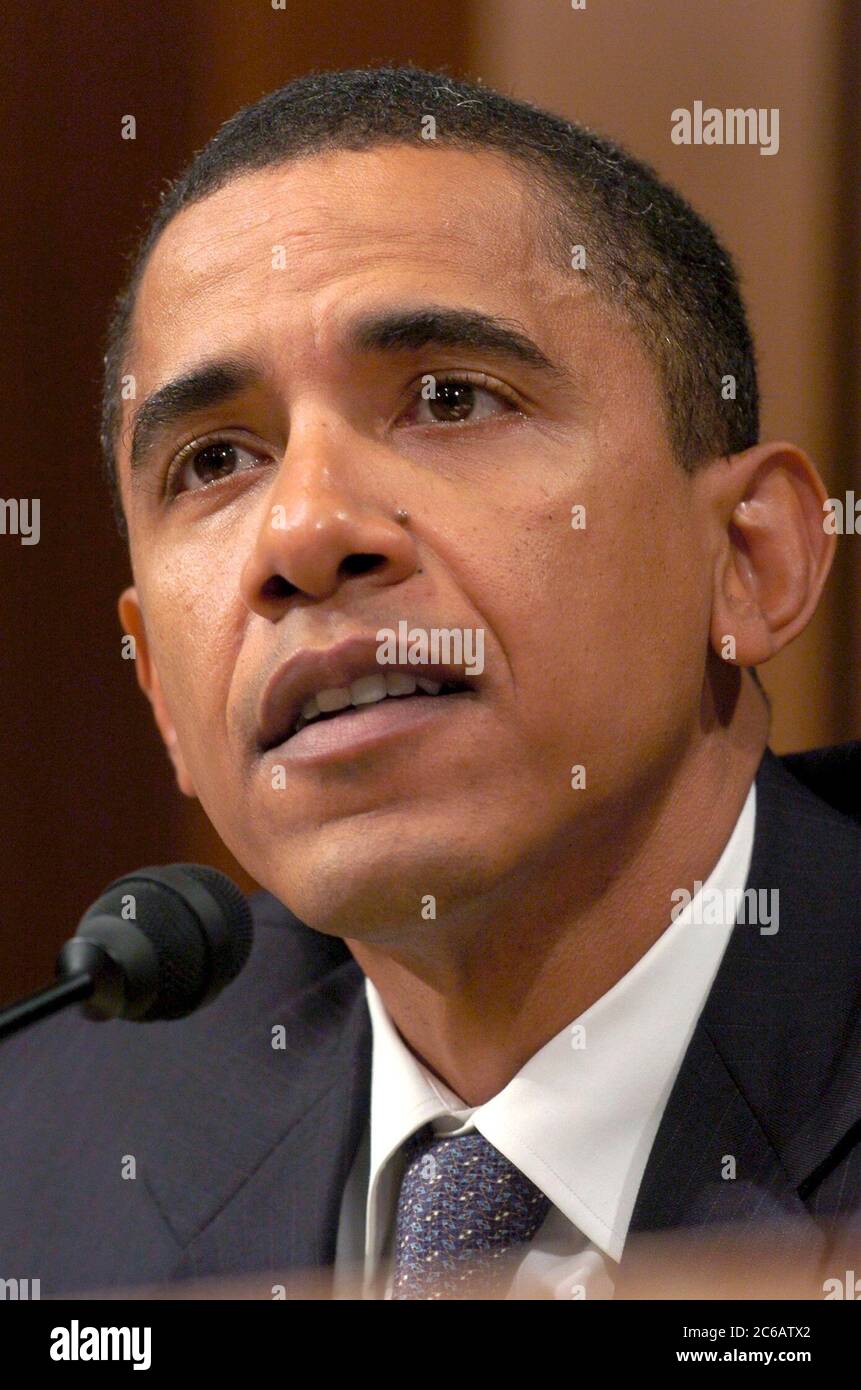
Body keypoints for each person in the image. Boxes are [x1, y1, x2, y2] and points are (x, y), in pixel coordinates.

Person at [0, 66, 857, 1300]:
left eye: (450, 398)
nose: (303, 533)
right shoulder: (46, 1153)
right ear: (160, 698)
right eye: (214, 461)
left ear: (748, 560)